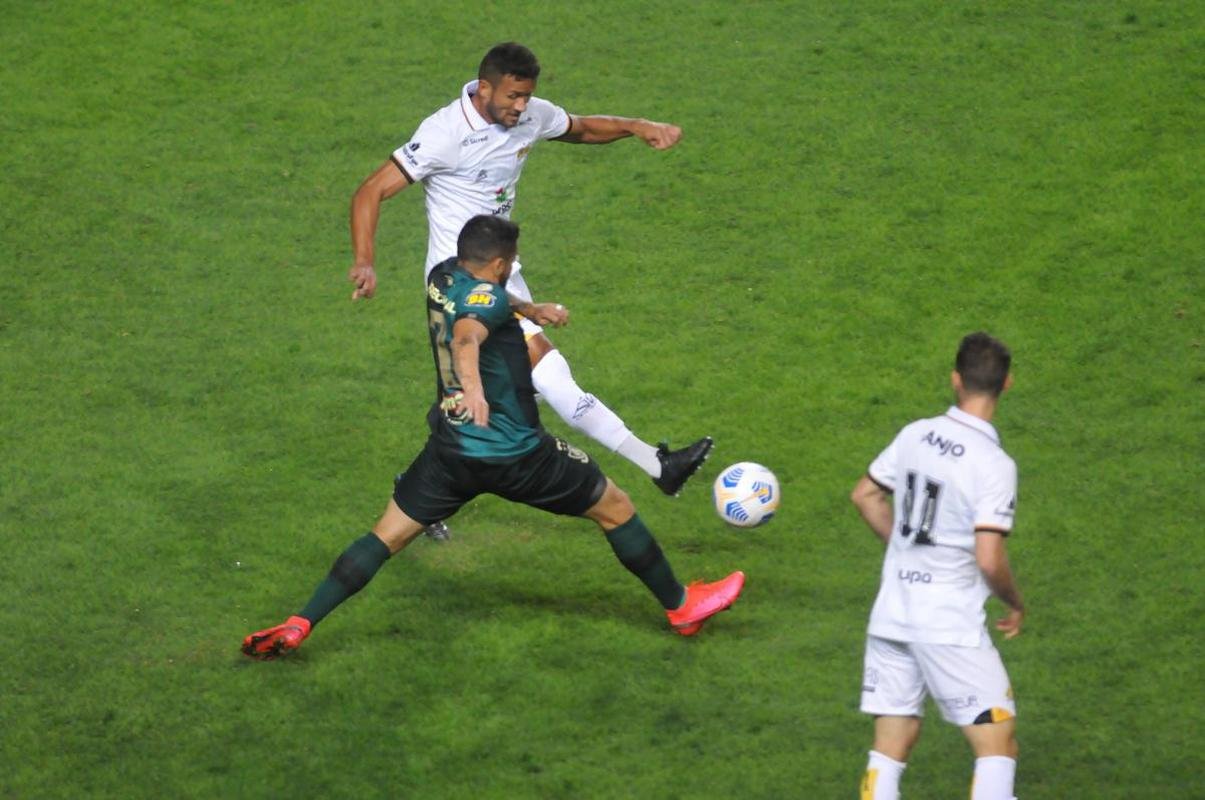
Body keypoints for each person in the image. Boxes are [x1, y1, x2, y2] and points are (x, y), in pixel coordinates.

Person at [242, 216, 744, 659]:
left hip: (451, 453)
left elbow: (486, 301)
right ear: (501, 262)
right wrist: (474, 388)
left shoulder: (444, 276)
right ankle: (682, 607)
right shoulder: (485, 301)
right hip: (519, 455)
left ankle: (300, 621)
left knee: (385, 537)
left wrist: (532, 309)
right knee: (615, 506)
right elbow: (468, 336)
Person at [348, 42, 712, 540]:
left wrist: (636, 126)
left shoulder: (529, 115)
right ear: (484, 87)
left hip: (502, 273)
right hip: (462, 287)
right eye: (513, 97)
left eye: (527, 98)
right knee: (550, 383)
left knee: (480, 398)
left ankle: (423, 495)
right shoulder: (443, 134)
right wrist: (366, 261)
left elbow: (580, 127)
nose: (521, 108)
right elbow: (371, 190)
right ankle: (657, 466)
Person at [849, 333, 1026, 800]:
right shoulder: (994, 464)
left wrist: (902, 548)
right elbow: (989, 556)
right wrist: (1014, 601)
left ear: (955, 380)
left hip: (892, 614)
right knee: (997, 744)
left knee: (892, 742)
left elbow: (865, 495)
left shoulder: (914, 434)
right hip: (948, 624)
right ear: (1006, 384)